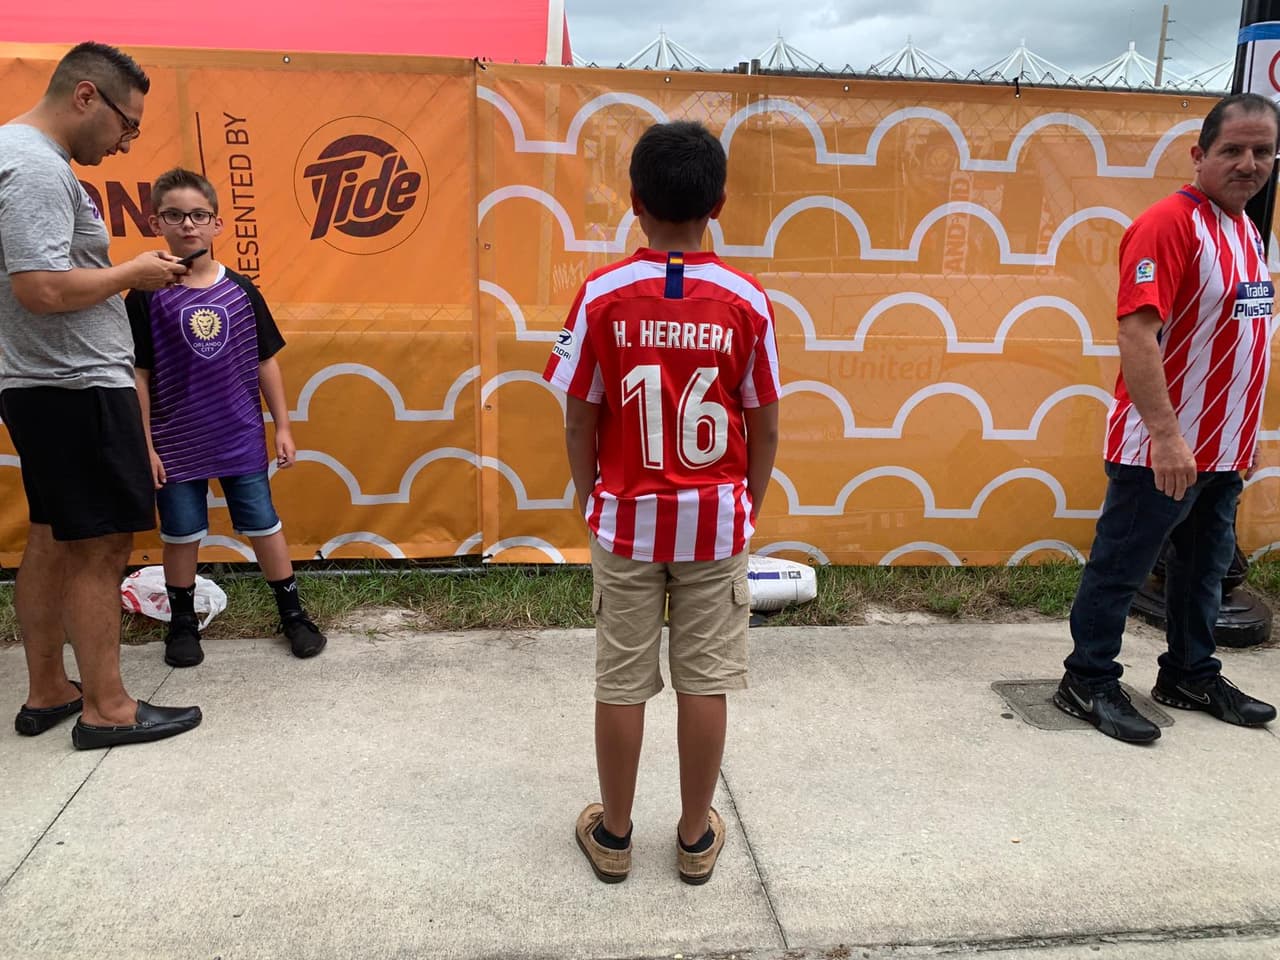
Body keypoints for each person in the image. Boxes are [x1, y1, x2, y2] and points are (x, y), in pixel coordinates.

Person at [543, 120, 780, 884]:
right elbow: (764, 422)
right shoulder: (748, 300)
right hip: (715, 525)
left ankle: (614, 837)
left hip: (627, 522)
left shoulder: (600, 295)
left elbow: (578, 418)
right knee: (704, 679)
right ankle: (693, 838)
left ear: (634, 201)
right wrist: (747, 506)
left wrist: (592, 500)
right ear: (719, 204)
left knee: (622, 679)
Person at [1055, 92, 1279, 744]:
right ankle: (1086, 679)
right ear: (1198, 155)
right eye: (1232, 150)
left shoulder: (1244, 228)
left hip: (1220, 450)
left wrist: (1244, 435)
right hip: (1163, 450)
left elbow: (1240, 338)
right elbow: (1136, 334)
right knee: (1121, 568)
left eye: (1262, 151)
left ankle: (1189, 673)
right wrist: (1166, 435)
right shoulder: (1168, 225)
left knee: (1203, 571)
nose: (1248, 164)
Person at [1, 42, 202, 749]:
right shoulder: (34, 167)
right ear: (86, 96)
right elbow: (42, 288)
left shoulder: (20, 156)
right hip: (76, 383)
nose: (126, 144)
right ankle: (108, 709)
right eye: (127, 125)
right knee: (100, 545)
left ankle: (49, 690)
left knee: (53, 536)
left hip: (46, 382)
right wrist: (129, 275)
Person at [126, 168, 326, 667]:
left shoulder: (240, 290)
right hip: (175, 442)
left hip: (239, 437)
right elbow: (139, 374)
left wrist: (282, 427)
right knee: (180, 534)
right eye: (174, 215)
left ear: (217, 223)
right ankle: (182, 624)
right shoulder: (145, 296)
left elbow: (265, 361)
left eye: (198, 215)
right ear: (156, 223)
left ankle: (293, 615)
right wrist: (145, 445)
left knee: (264, 525)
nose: (187, 224)